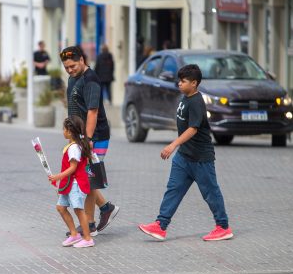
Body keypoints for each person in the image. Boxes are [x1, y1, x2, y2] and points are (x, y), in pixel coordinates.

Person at [138, 64, 233, 242]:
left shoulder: (197, 101)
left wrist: (172, 145)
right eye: (179, 80)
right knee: (173, 190)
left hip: (201, 158)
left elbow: (193, 129)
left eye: (183, 81)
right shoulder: (185, 97)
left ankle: (223, 227)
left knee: (211, 193)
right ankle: (160, 226)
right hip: (184, 157)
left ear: (194, 83)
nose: (179, 84)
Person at [60, 46, 120, 237]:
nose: (70, 70)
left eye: (72, 66)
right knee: (85, 177)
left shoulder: (91, 80)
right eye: (66, 67)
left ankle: (91, 223)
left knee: (88, 179)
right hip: (80, 137)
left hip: (96, 137)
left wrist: (88, 138)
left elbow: (93, 112)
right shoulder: (73, 78)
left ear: (82, 60)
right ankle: (105, 208)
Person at [49, 116, 94, 248]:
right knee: (61, 207)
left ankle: (87, 238)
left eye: (64, 129)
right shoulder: (72, 146)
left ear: (69, 131)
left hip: (75, 183)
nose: (63, 131)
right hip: (69, 183)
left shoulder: (74, 148)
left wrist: (58, 177)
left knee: (79, 210)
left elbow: (73, 168)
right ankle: (74, 234)